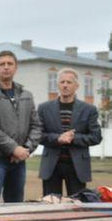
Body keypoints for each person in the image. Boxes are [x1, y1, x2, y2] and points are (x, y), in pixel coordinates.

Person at [0, 50, 41, 203]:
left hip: (18, 160)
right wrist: (13, 148)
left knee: (15, 204)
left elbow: (36, 125)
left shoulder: (26, 95)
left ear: (16, 67)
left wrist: (25, 149)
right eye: (2, 64)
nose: (6, 67)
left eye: (10, 64)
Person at [38, 68, 102, 196]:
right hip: (51, 166)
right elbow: (38, 135)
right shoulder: (44, 108)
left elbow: (96, 137)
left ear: (77, 86)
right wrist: (58, 138)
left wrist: (73, 138)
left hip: (77, 166)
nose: (65, 85)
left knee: (77, 206)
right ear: (58, 85)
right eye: (62, 82)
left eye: (69, 82)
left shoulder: (89, 109)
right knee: (51, 207)